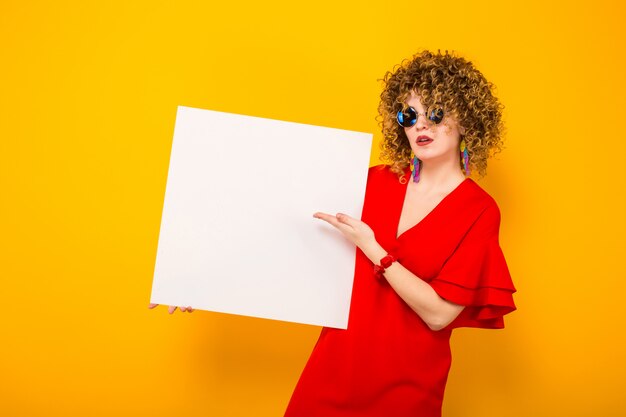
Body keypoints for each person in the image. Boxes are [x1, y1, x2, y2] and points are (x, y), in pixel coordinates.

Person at [283, 49, 517, 416]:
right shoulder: (372, 181)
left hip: (407, 389)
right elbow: (293, 235)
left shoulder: (480, 210)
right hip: (332, 373)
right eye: (409, 116)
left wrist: (373, 248)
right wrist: (208, 289)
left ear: (466, 120)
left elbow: (439, 315)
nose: (420, 125)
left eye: (435, 113)